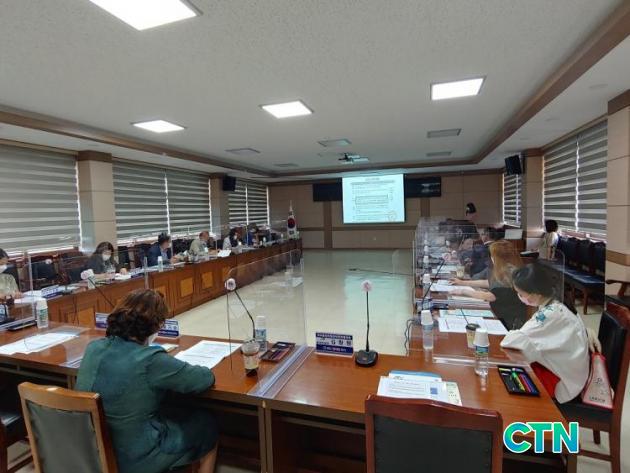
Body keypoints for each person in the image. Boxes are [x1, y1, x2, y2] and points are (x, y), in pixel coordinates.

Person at [76, 289, 218, 473]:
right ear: (158, 325)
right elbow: (203, 380)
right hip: (134, 458)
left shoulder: (93, 348)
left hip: (92, 451)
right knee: (206, 423)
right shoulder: (151, 360)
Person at [500, 264, 590, 403]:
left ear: (536, 293)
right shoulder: (557, 302)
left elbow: (512, 343)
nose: (520, 297)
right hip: (567, 370)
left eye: (521, 294)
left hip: (562, 381)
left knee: (508, 376)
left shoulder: (550, 314)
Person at [450, 240, 527, 328]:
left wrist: (463, 291)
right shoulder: (507, 268)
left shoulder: (509, 271)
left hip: (507, 320)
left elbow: (491, 296)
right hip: (500, 313)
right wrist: (463, 283)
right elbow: (488, 283)